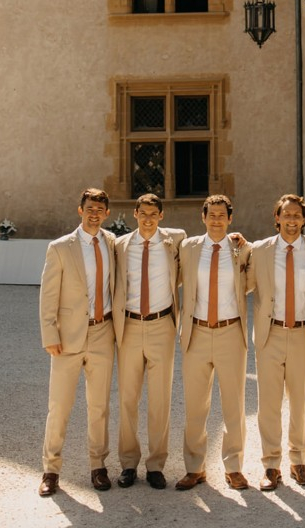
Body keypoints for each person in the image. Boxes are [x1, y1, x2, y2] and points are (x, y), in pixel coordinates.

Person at [38, 188, 116, 497]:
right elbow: (47, 296)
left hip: (102, 333)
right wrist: (49, 334)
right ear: (79, 210)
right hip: (67, 338)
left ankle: (98, 466)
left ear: (107, 213)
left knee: (99, 407)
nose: (94, 213)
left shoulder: (112, 243)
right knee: (59, 406)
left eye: (99, 209)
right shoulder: (59, 248)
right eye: (89, 208)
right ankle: (50, 470)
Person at [247, 194, 305, 490]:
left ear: (304, 220)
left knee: (300, 401)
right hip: (271, 333)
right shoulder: (261, 251)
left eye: (297, 215)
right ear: (277, 218)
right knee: (268, 403)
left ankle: (298, 461)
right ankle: (270, 465)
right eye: (286, 215)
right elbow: (242, 283)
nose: (291, 220)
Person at [175, 194, 251, 491]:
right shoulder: (188, 248)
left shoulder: (242, 249)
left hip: (231, 332)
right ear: (203, 217)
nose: (217, 220)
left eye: (222, 215)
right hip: (197, 332)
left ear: (230, 219)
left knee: (234, 404)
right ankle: (195, 468)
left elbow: (256, 279)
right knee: (195, 404)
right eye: (212, 215)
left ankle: (234, 467)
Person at [113, 193, 185, 489]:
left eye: (153, 213)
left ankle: (156, 464)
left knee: (160, 399)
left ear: (161, 216)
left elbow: (206, 245)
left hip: (161, 326)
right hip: (129, 325)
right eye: (143, 213)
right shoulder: (120, 245)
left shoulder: (176, 241)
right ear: (135, 213)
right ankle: (128, 463)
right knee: (128, 399)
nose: (147, 218)